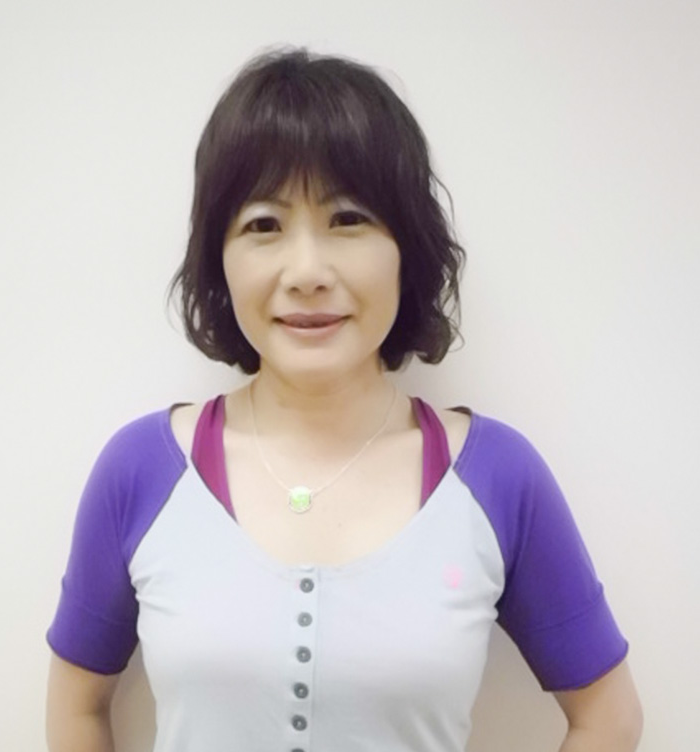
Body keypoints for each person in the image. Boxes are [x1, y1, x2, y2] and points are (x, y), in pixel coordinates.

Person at [45, 47, 642, 752]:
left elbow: (609, 715)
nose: (307, 272)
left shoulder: (498, 477)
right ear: (218, 258)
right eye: (263, 225)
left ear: (406, 250)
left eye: (349, 218)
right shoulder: (141, 470)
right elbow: (77, 708)